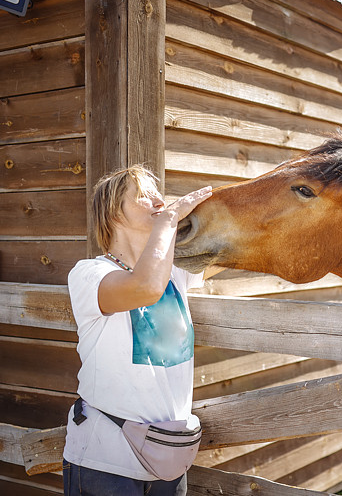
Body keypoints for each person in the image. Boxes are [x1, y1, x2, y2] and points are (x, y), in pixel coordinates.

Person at [62, 164, 213, 495]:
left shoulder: (175, 272)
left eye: (160, 194)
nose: (159, 201)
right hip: (105, 462)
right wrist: (169, 220)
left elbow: (231, 248)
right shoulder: (89, 274)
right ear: (114, 213)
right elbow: (145, 287)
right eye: (145, 195)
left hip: (169, 458)